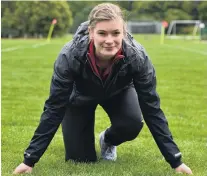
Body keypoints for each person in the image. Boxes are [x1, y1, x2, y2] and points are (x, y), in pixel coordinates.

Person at [13, 3, 193, 175]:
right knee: (80, 160)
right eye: (102, 33)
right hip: (80, 97)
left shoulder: (137, 57)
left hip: (118, 92)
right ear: (91, 32)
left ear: (124, 32)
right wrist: (30, 160)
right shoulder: (69, 56)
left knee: (132, 123)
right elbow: (54, 108)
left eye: (116, 33)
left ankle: (107, 140)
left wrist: (175, 161)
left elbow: (152, 108)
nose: (110, 40)